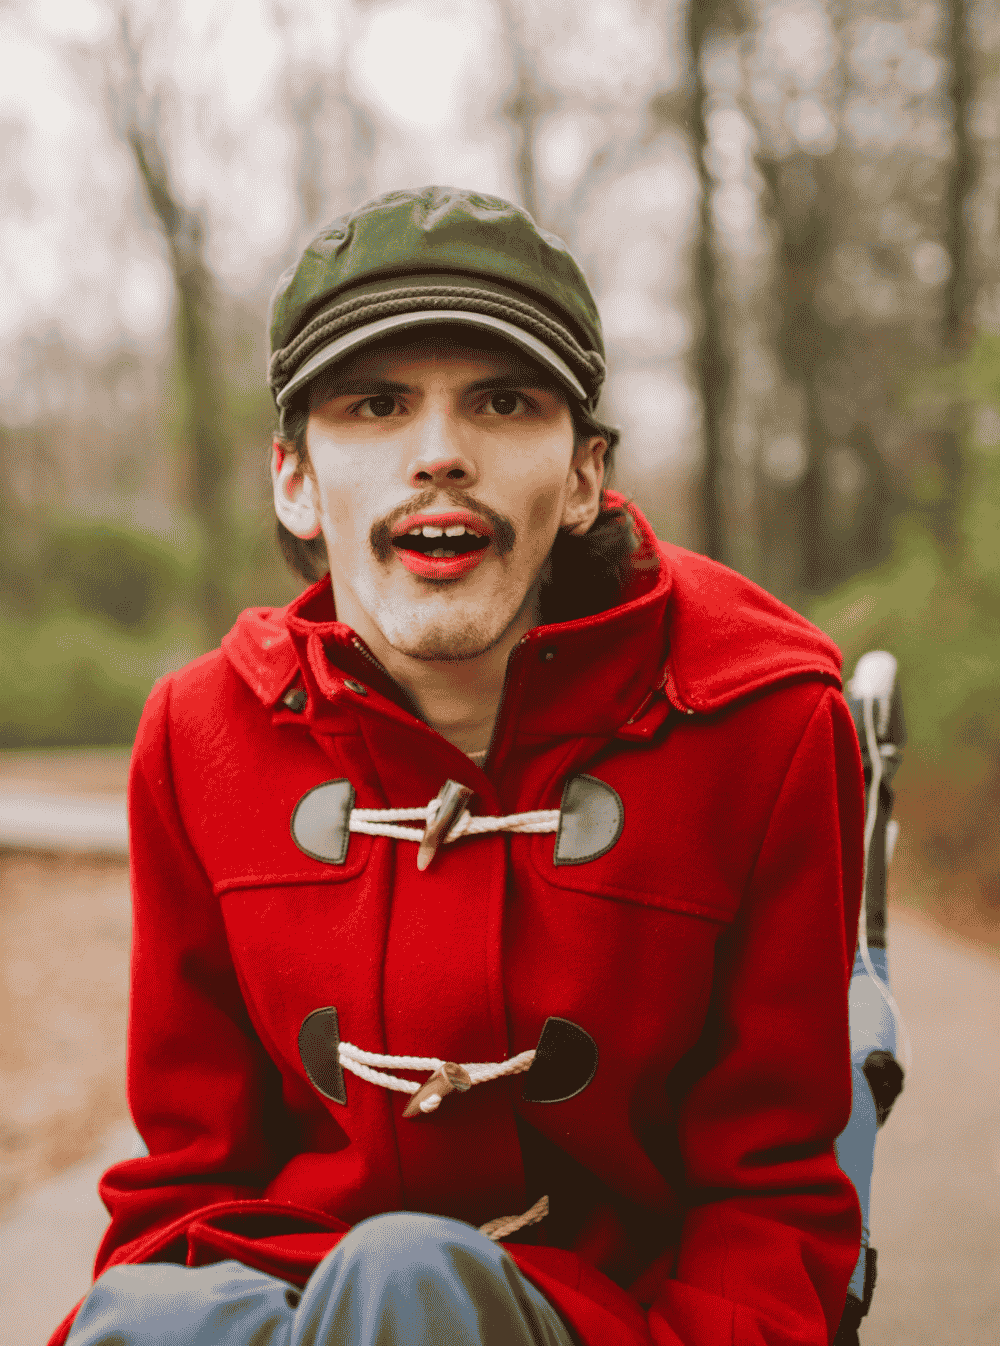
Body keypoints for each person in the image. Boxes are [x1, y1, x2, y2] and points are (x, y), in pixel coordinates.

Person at [48, 186, 865, 1346]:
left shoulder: (760, 725)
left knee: (406, 1280)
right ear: (294, 478)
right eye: (376, 406)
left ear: (583, 476)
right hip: (283, 1287)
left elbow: (770, 1196)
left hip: (614, 1314)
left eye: (503, 403)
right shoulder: (197, 737)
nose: (440, 455)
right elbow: (188, 1177)